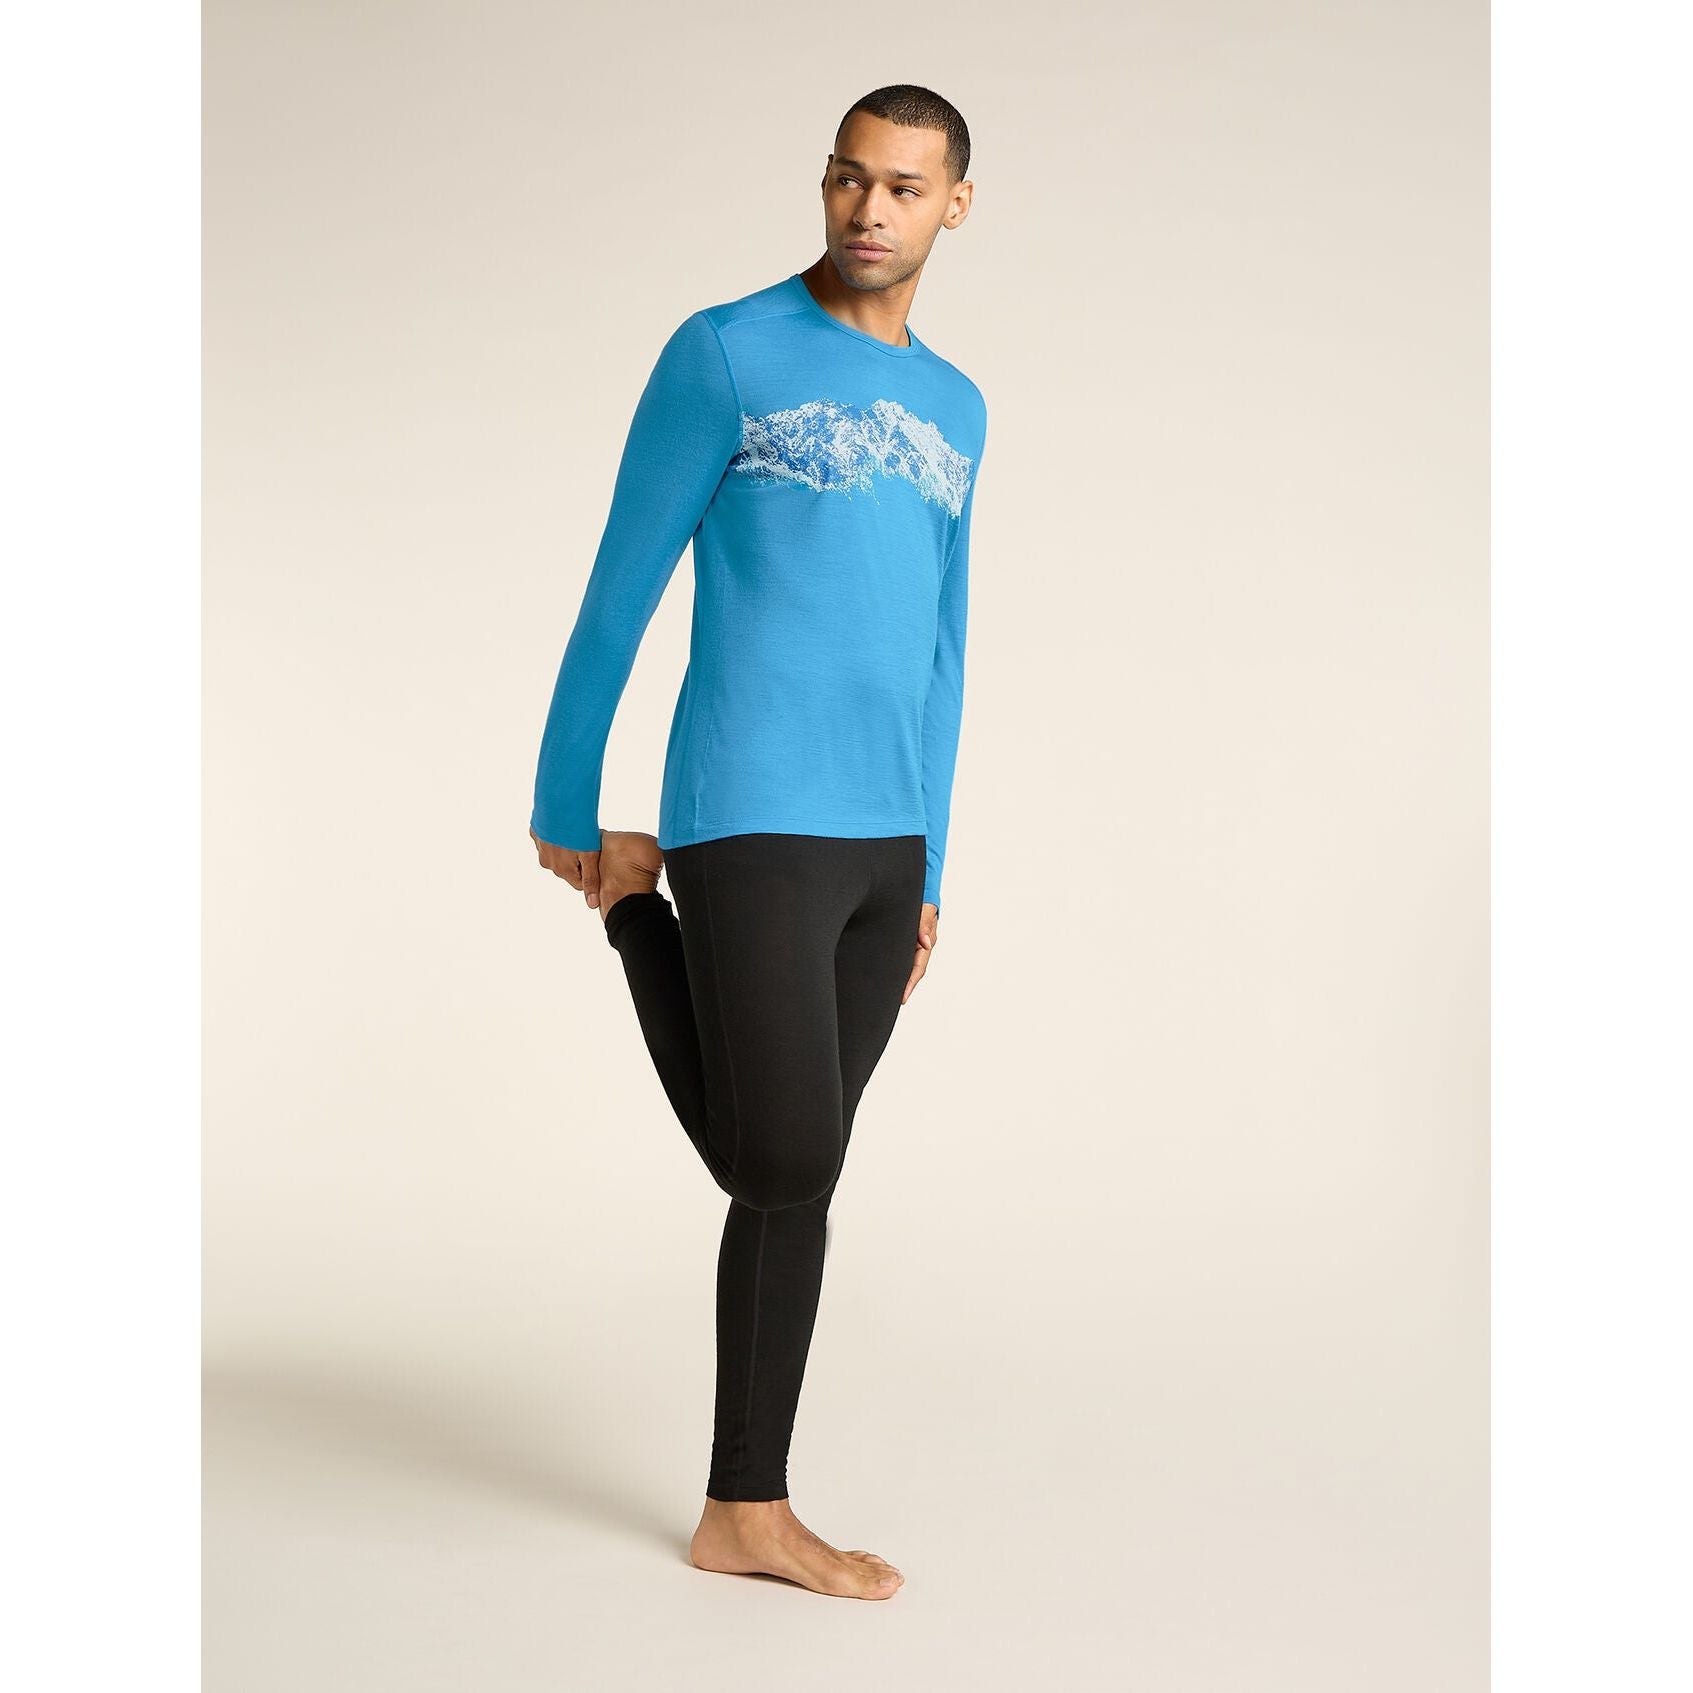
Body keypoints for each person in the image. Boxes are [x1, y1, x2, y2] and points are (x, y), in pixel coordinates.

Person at [528, 84, 985, 1601]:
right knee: (785, 1151)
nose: (870, 210)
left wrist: (933, 863)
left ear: (954, 205)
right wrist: (566, 806)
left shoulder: (960, 406)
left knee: (793, 1177)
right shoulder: (723, 352)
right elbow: (622, 580)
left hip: (884, 841)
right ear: (825, 183)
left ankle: (744, 1507)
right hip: (749, 811)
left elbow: (943, 651)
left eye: (904, 188)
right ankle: (632, 912)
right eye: (850, 179)